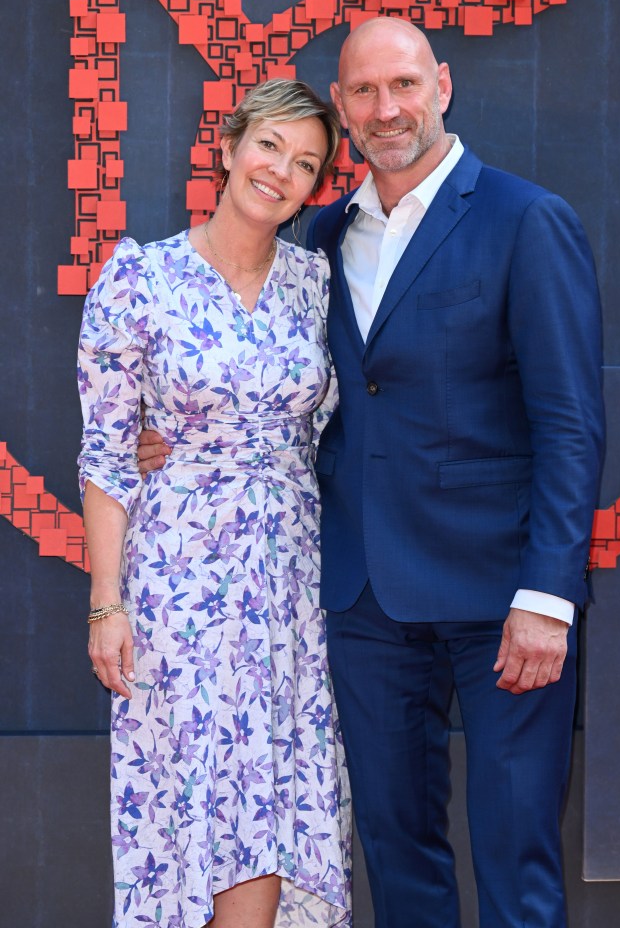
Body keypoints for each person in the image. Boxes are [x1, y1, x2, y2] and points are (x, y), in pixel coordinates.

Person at [140, 18, 605, 928]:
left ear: (441, 83)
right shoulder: (314, 238)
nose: (385, 109)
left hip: (500, 599)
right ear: (344, 109)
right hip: (362, 603)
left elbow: (569, 423)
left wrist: (548, 596)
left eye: (402, 85)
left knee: (518, 859)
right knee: (398, 856)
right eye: (362, 91)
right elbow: (271, 383)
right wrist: (179, 439)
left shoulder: (526, 219)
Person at [78, 79, 351, 928]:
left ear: (316, 189)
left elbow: (337, 425)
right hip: (179, 586)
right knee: (190, 799)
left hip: (290, 589)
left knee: (270, 797)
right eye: (270, 146)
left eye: (305, 164)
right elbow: (107, 450)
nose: (282, 172)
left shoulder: (315, 284)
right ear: (228, 146)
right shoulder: (141, 276)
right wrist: (105, 604)